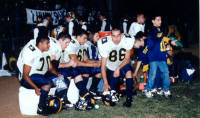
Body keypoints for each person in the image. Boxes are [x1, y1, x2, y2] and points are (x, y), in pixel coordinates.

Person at [17, 36, 63, 115]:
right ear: (40, 44)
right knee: (47, 83)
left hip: (40, 77)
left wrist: (58, 75)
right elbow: (25, 75)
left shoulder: (47, 52)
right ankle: (41, 107)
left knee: (60, 82)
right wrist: (35, 87)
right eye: (47, 43)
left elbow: (50, 68)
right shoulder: (31, 53)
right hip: (28, 78)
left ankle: (57, 101)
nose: (49, 45)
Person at [97, 28, 136, 107]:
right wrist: (105, 83)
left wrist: (118, 68)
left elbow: (127, 59)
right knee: (113, 97)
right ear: (110, 36)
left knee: (129, 73)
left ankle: (129, 98)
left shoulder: (127, 40)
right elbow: (103, 66)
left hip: (122, 65)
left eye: (118, 36)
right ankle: (123, 90)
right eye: (114, 36)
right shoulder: (104, 43)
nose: (116, 38)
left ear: (121, 35)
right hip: (110, 68)